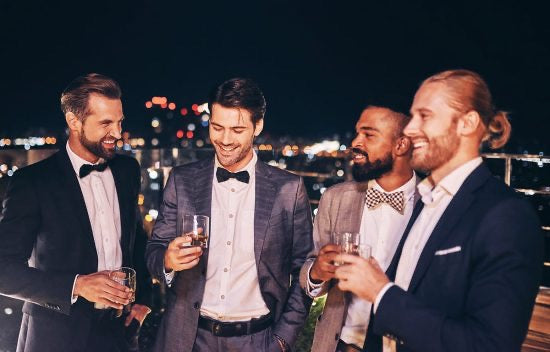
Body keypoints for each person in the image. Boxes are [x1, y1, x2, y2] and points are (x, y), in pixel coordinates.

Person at [334, 69, 543, 352]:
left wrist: (380, 292)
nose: (409, 129)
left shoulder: (507, 215)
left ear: (467, 123)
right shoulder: (425, 201)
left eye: (425, 116)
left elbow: (490, 345)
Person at [145, 78, 313, 352]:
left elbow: (305, 268)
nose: (224, 140)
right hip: (188, 338)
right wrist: (166, 260)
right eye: (217, 127)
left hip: (258, 340)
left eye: (237, 129)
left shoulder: (289, 189)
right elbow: (153, 251)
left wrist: (283, 339)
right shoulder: (181, 180)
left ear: (257, 126)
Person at [0, 73, 152, 352]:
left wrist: (143, 301)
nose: (117, 133)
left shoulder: (128, 170)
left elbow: (136, 240)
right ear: (74, 121)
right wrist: (77, 285)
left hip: (119, 335)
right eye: (105, 123)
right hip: (55, 337)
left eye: (119, 122)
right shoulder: (32, 182)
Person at [299, 106, 419, 352]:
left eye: (369, 134)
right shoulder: (336, 198)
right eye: (357, 134)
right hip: (339, 345)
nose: (355, 142)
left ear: (401, 145)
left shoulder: (430, 205)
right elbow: (308, 275)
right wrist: (317, 272)